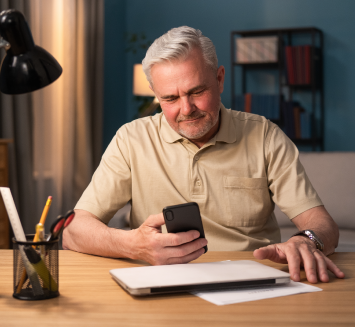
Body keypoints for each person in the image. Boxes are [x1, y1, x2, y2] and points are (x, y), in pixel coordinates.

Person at [63, 26, 344, 284]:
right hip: (162, 282)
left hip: (248, 285)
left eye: (197, 91)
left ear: (219, 79)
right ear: (155, 95)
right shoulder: (130, 139)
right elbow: (73, 231)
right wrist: (132, 245)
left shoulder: (265, 136)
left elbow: (323, 226)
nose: (186, 109)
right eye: (170, 99)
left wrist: (305, 240)